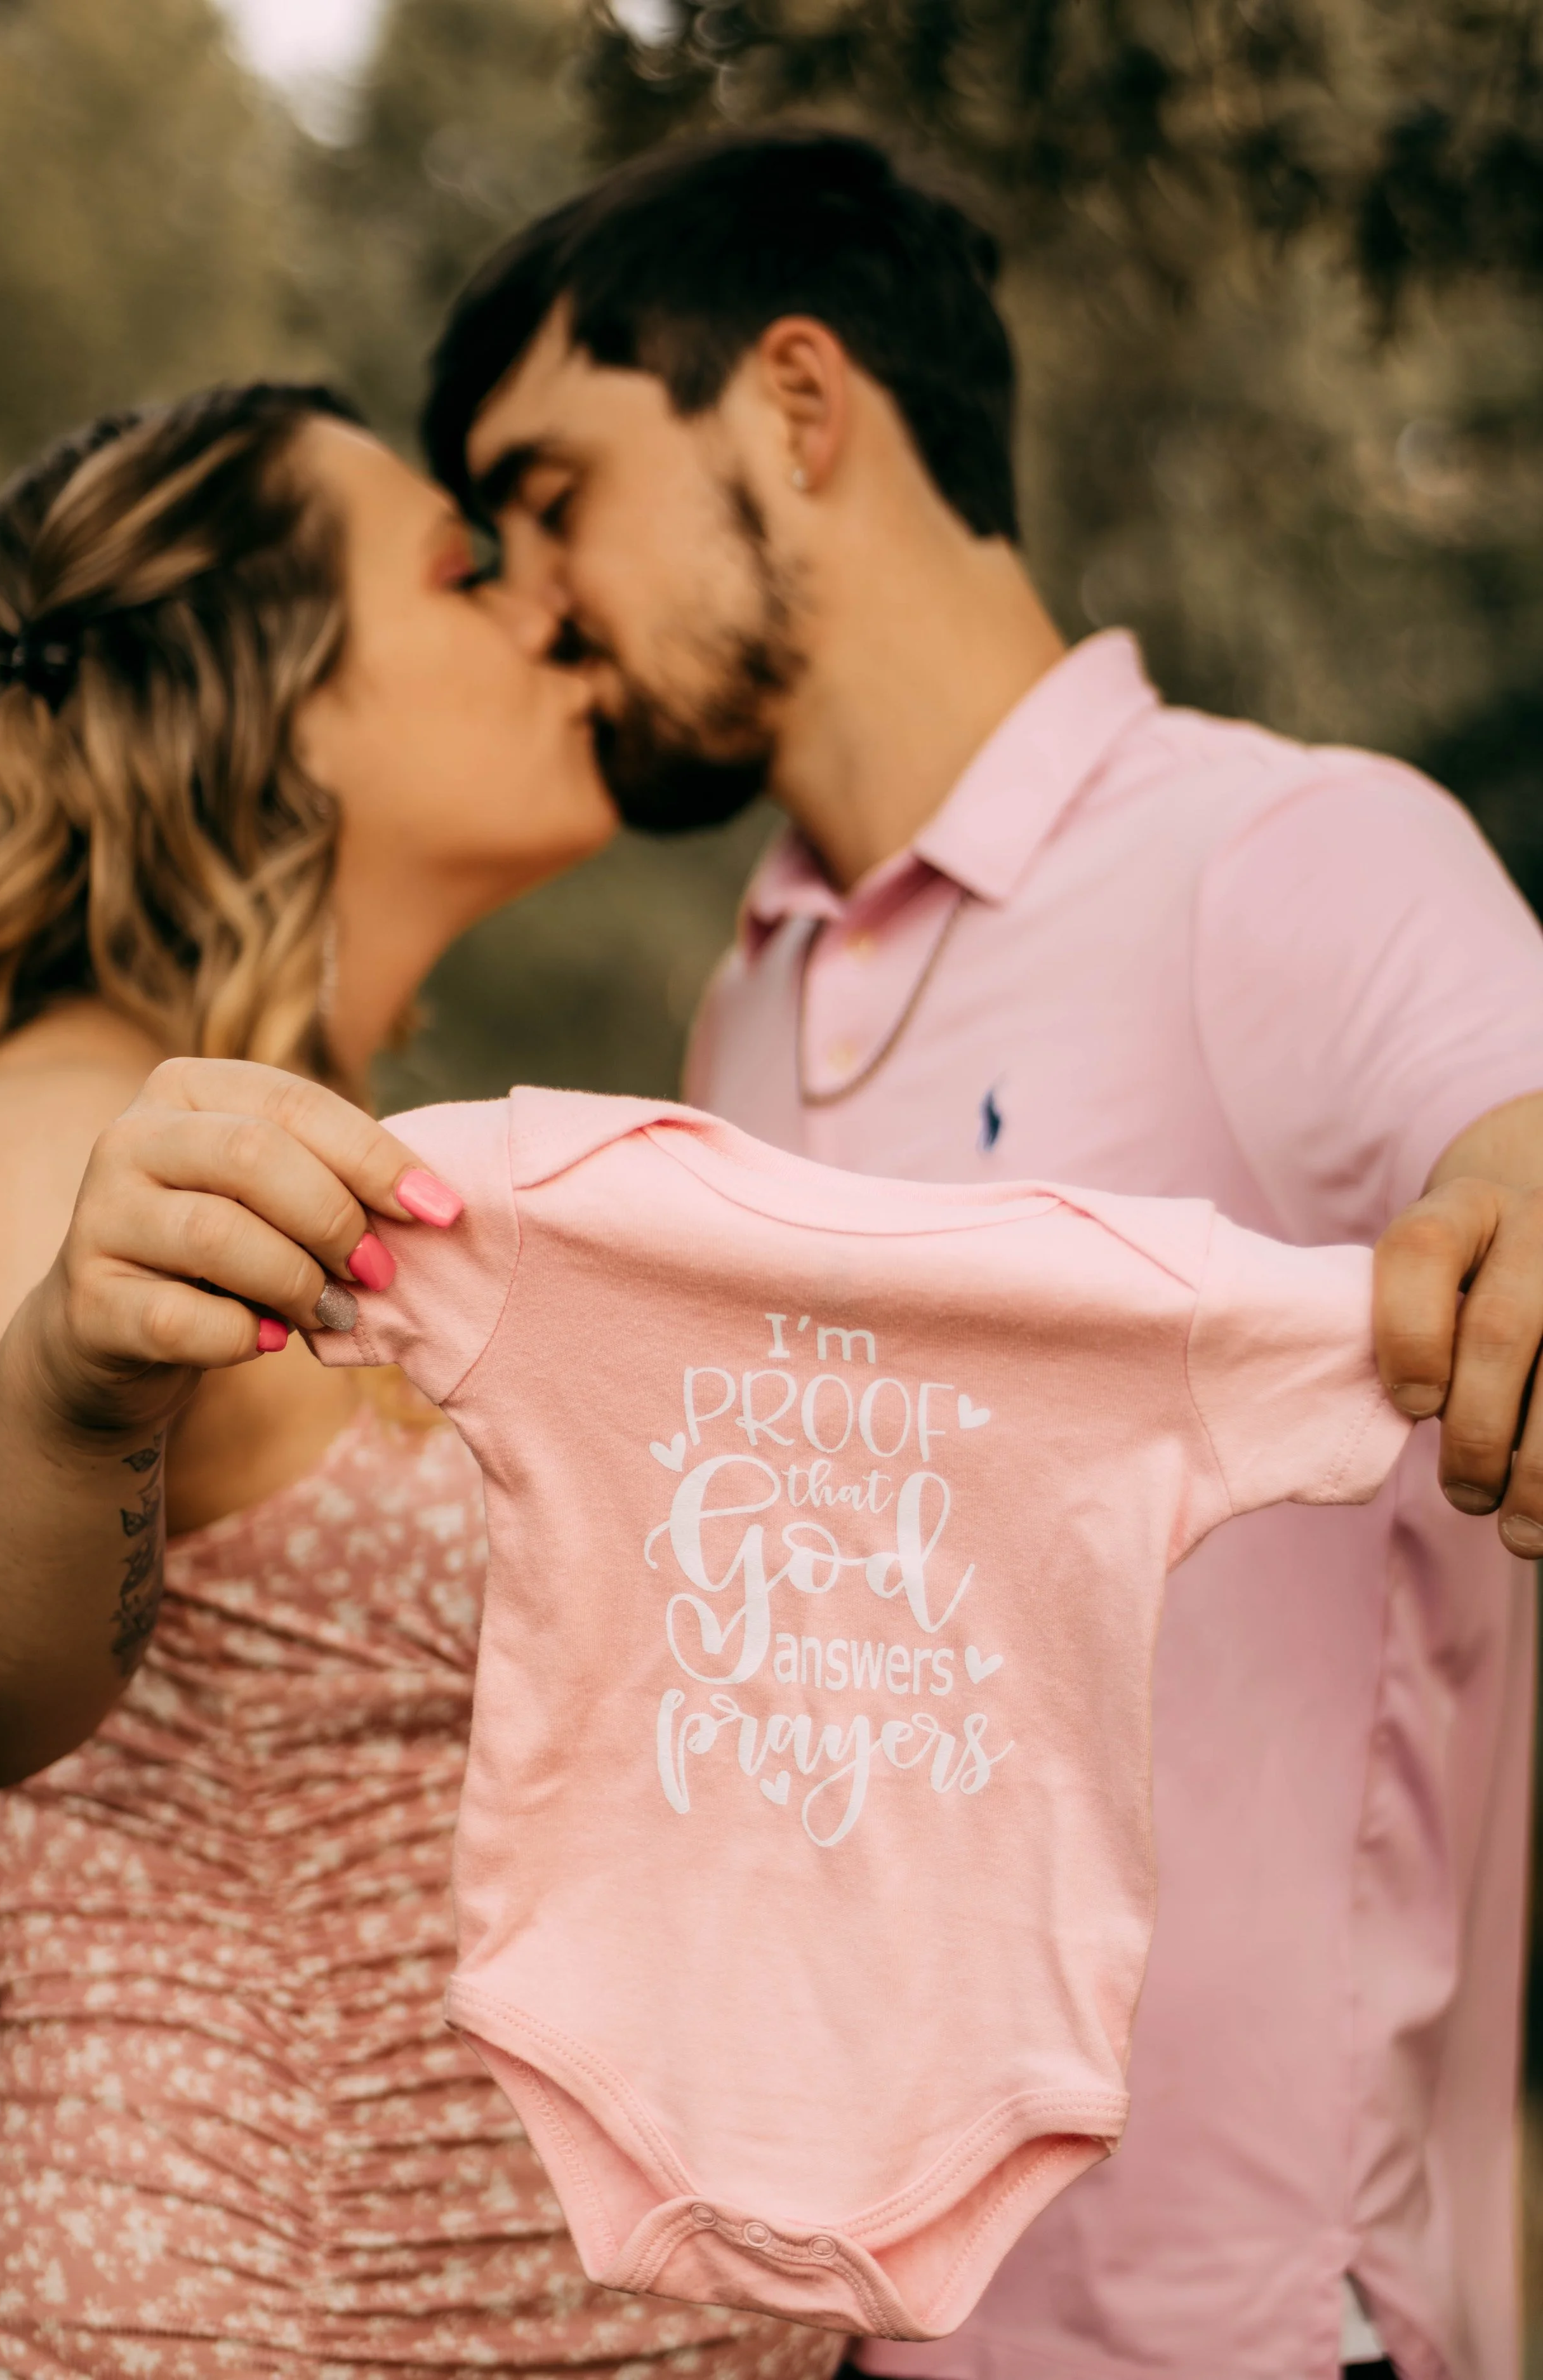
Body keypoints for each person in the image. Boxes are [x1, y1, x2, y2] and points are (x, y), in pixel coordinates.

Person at [421, 129, 1543, 2380]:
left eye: (551, 493)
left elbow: (1512, 1123)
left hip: (1267, 2331)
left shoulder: (1290, 855)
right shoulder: (733, 1006)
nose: (529, 594)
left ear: (797, 406)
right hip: (850, 2325)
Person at [0, 380, 842, 2380]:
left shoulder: (379, 1148)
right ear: (251, 684)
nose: (548, 609)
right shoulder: (51, 1141)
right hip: (254, 2312)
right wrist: (69, 1389)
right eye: (467, 567)